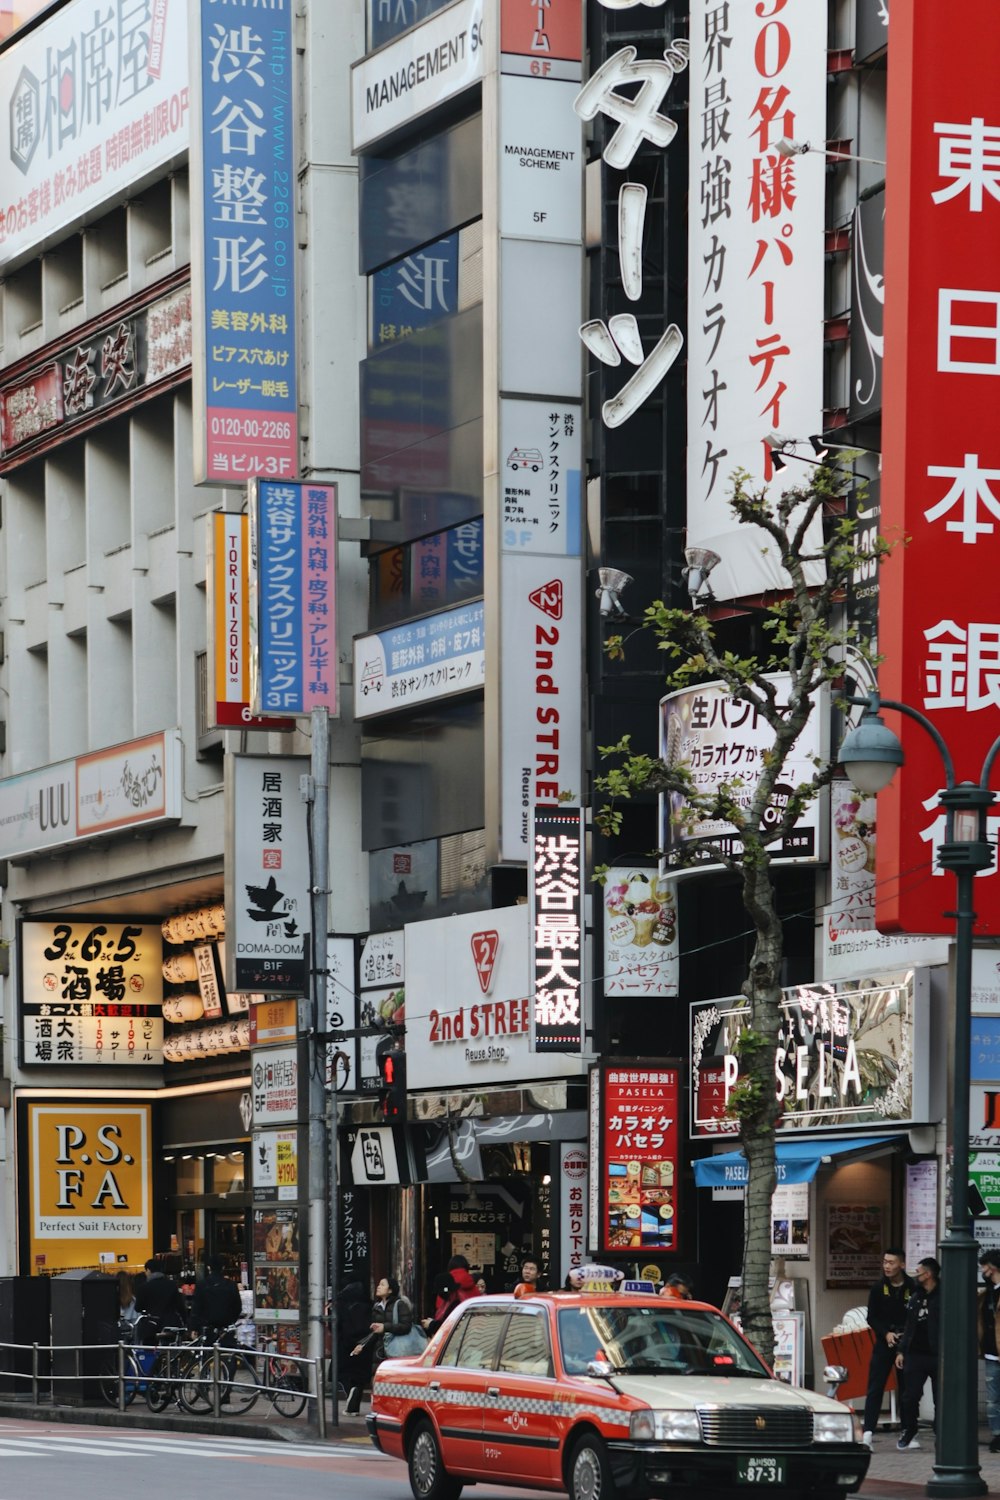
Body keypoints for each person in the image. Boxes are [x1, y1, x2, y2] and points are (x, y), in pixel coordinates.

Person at [862, 1247, 915, 1446]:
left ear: (902, 1264)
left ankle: (908, 1432)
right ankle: (868, 1432)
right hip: (884, 1343)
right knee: (875, 1387)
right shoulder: (878, 1288)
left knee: (907, 1390)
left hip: (907, 1344)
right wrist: (886, 1333)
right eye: (885, 1262)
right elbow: (871, 1317)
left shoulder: (912, 1286)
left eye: (891, 1263)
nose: (887, 1266)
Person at [895, 1256, 941, 1451]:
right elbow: (909, 1325)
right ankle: (909, 1429)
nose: (916, 1276)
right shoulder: (916, 1296)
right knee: (910, 1396)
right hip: (915, 1353)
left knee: (942, 1397)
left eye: (919, 1272)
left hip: (938, 1354)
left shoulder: (945, 1295)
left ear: (928, 1274)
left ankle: (942, 1432)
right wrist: (901, 1350)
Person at [424, 1254, 481, 1335]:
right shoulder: (473, 1287)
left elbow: (442, 1314)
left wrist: (431, 1324)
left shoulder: (446, 1285)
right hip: (474, 1331)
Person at [978, 1250, 1000, 1453]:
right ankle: (997, 1435)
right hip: (991, 1353)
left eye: (984, 1266)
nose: (982, 1270)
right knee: (992, 1399)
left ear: (992, 1267)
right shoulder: (986, 1293)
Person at [191, 1255, 243, 1336]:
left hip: (207, 1329)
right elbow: (237, 1307)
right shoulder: (231, 1285)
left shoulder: (202, 1285)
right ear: (223, 1267)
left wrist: (194, 1327)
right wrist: (231, 1320)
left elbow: (196, 1308)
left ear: (208, 1267)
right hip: (226, 1328)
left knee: (209, 1348)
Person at [134, 1255, 188, 1333]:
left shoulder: (143, 1287)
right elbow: (180, 1306)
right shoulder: (172, 1285)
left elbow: (138, 1308)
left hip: (151, 1325)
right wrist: (185, 1322)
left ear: (148, 1270)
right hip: (170, 1324)